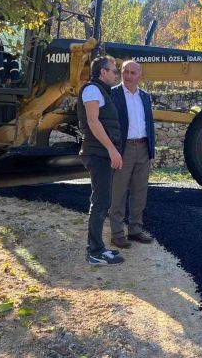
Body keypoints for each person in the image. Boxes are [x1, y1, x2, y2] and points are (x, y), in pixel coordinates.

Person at [77, 55, 125, 265]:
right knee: (100, 202)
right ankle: (94, 252)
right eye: (114, 70)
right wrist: (112, 150)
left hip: (103, 153)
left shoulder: (102, 91)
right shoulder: (91, 90)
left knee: (103, 200)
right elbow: (93, 123)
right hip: (98, 153)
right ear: (102, 72)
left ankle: (98, 247)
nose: (117, 74)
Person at [108, 60, 156, 248]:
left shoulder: (144, 96)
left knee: (139, 192)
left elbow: (149, 124)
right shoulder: (113, 94)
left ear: (140, 75)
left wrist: (151, 150)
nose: (128, 76)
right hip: (123, 149)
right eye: (125, 72)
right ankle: (117, 233)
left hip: (143, 148)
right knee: (118, 192)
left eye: (132, 73)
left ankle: (135, 230)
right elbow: (108, 124)